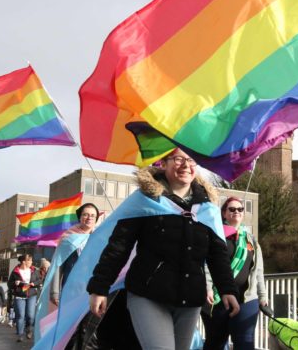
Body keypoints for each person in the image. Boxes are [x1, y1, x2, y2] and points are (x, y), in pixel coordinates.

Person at [87, 148, 240, 350]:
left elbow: (217, 254)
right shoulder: (145, 200)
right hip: (148, 295)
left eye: (192, 160)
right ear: (165, 163)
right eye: (178, 159)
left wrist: (228, 289)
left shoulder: (207, 208)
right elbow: (119, 246)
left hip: (190, 299)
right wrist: (99, 287)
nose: (186, 165)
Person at [201, 197, 267, 350]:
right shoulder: (216, 235)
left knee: (245, 343)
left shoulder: (251, 240)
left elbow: (258, 271)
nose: (236, 212)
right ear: (224, 213)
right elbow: (208, 264)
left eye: (240, 209)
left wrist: (262, 296)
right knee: (216, 342)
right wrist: (208, 287)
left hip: (247, 298)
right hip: (218, 297)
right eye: (231, 209)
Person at [50, 203, 100, 306]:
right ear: (80, 217)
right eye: (85, 214)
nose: (89, 218)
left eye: (92, 215)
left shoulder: (101, 238)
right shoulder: (68, 239)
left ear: (96, 219)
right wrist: (55, 292)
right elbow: (58, 265)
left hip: (94, 290)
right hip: (71, 290)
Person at [7, 254, 41, 342]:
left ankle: (29, 329)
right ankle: (20, 334)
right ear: (24, 262)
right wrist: (15, 283)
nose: (31, 262)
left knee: (30, 315)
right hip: (19, 296)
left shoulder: (34, 270)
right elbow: (9, 284)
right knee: (20, 316)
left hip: (31, 295)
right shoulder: (15, 271)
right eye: (29, 260)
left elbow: (40, 280)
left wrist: (34, 284)